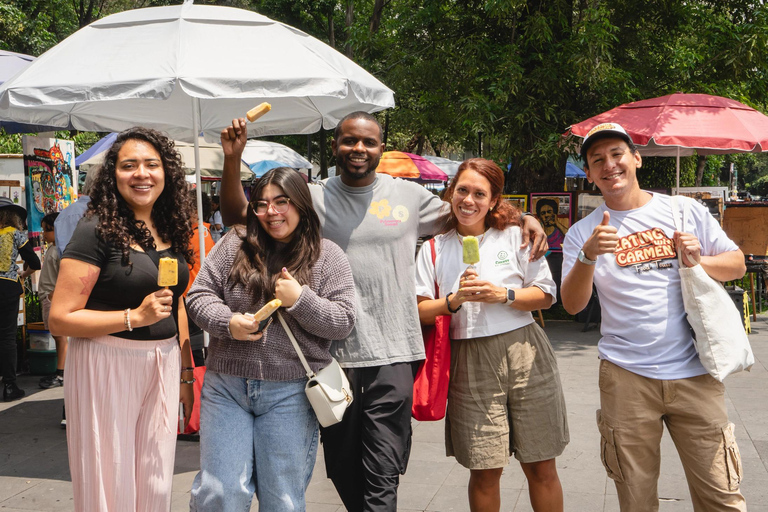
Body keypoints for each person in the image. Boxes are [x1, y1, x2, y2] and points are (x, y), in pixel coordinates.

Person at [218, 112, 548, 511]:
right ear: (335, 146)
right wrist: (232, 159)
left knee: (384, 468)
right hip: (331, 354)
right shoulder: (314, 198)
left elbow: (471, 209)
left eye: (368, 142)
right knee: (342, 466)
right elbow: (241, 217)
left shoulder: (408, 196)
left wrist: (524, 218)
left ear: (380, 148)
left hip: (395, 353)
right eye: (349, 141)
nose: (358, 149)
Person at [560, 123, 747, 512]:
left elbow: (737, 264)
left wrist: (697, 261)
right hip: (625, 378)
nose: (609, 165)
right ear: (590, 174)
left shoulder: (684, 211)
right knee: (636, 498)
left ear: (636, 159)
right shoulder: (582, 233)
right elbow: (573, 305)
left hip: (695, 372)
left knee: (721, 495)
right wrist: (588, 257)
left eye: (617, 154)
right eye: (597, 160)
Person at [186, 167, 356, 511]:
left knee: (283, 500)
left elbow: (343, 321)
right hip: (226, 387)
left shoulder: (328, 255)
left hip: (291, 392)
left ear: (301, 204)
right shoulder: (235, 243)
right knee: (220, 493)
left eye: (281, 202)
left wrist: (301, 299)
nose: (271, 212)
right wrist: (227, 322)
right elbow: (199, 295)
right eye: (261, 204)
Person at [49, 127, 195, 512]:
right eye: (129, 165)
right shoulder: (94, 229)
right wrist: (133, 317)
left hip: (163, 364)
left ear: (167, 172)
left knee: (155, 480)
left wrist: (185, 375)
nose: (141, 174)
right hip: (106, 363)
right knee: (110, 480)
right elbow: (60, 319)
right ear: (113, 175)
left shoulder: (171, 226)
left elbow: (176, 304)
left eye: (151, 164)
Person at [415, 159, 568, 512]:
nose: (469, 200)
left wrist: (504, 295)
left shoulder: (516, 236)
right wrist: (454, 300)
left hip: (525, 349)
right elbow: (420, 309)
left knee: (541, 464)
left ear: (494, 200)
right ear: (451, 193)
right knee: (484, 470)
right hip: (469, 359)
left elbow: (546, 294)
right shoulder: (435, 247)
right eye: (462, 190)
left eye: (480, 194)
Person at [0, 197, 40, 402]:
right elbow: (35, 262)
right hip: (7, 287)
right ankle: (9, 386)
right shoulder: (15, 234)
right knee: (7, 337)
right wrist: (23, 274)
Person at [37, 212, 68, 392]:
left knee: (60, 336)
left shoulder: (59, 251)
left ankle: (61, 372)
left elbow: (64, 277)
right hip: (50, 296)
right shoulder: (54, 249)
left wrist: (52, 296)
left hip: (53, 298)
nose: (44, 234)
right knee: (57, 335)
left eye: (46, 230)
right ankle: (61, 370)